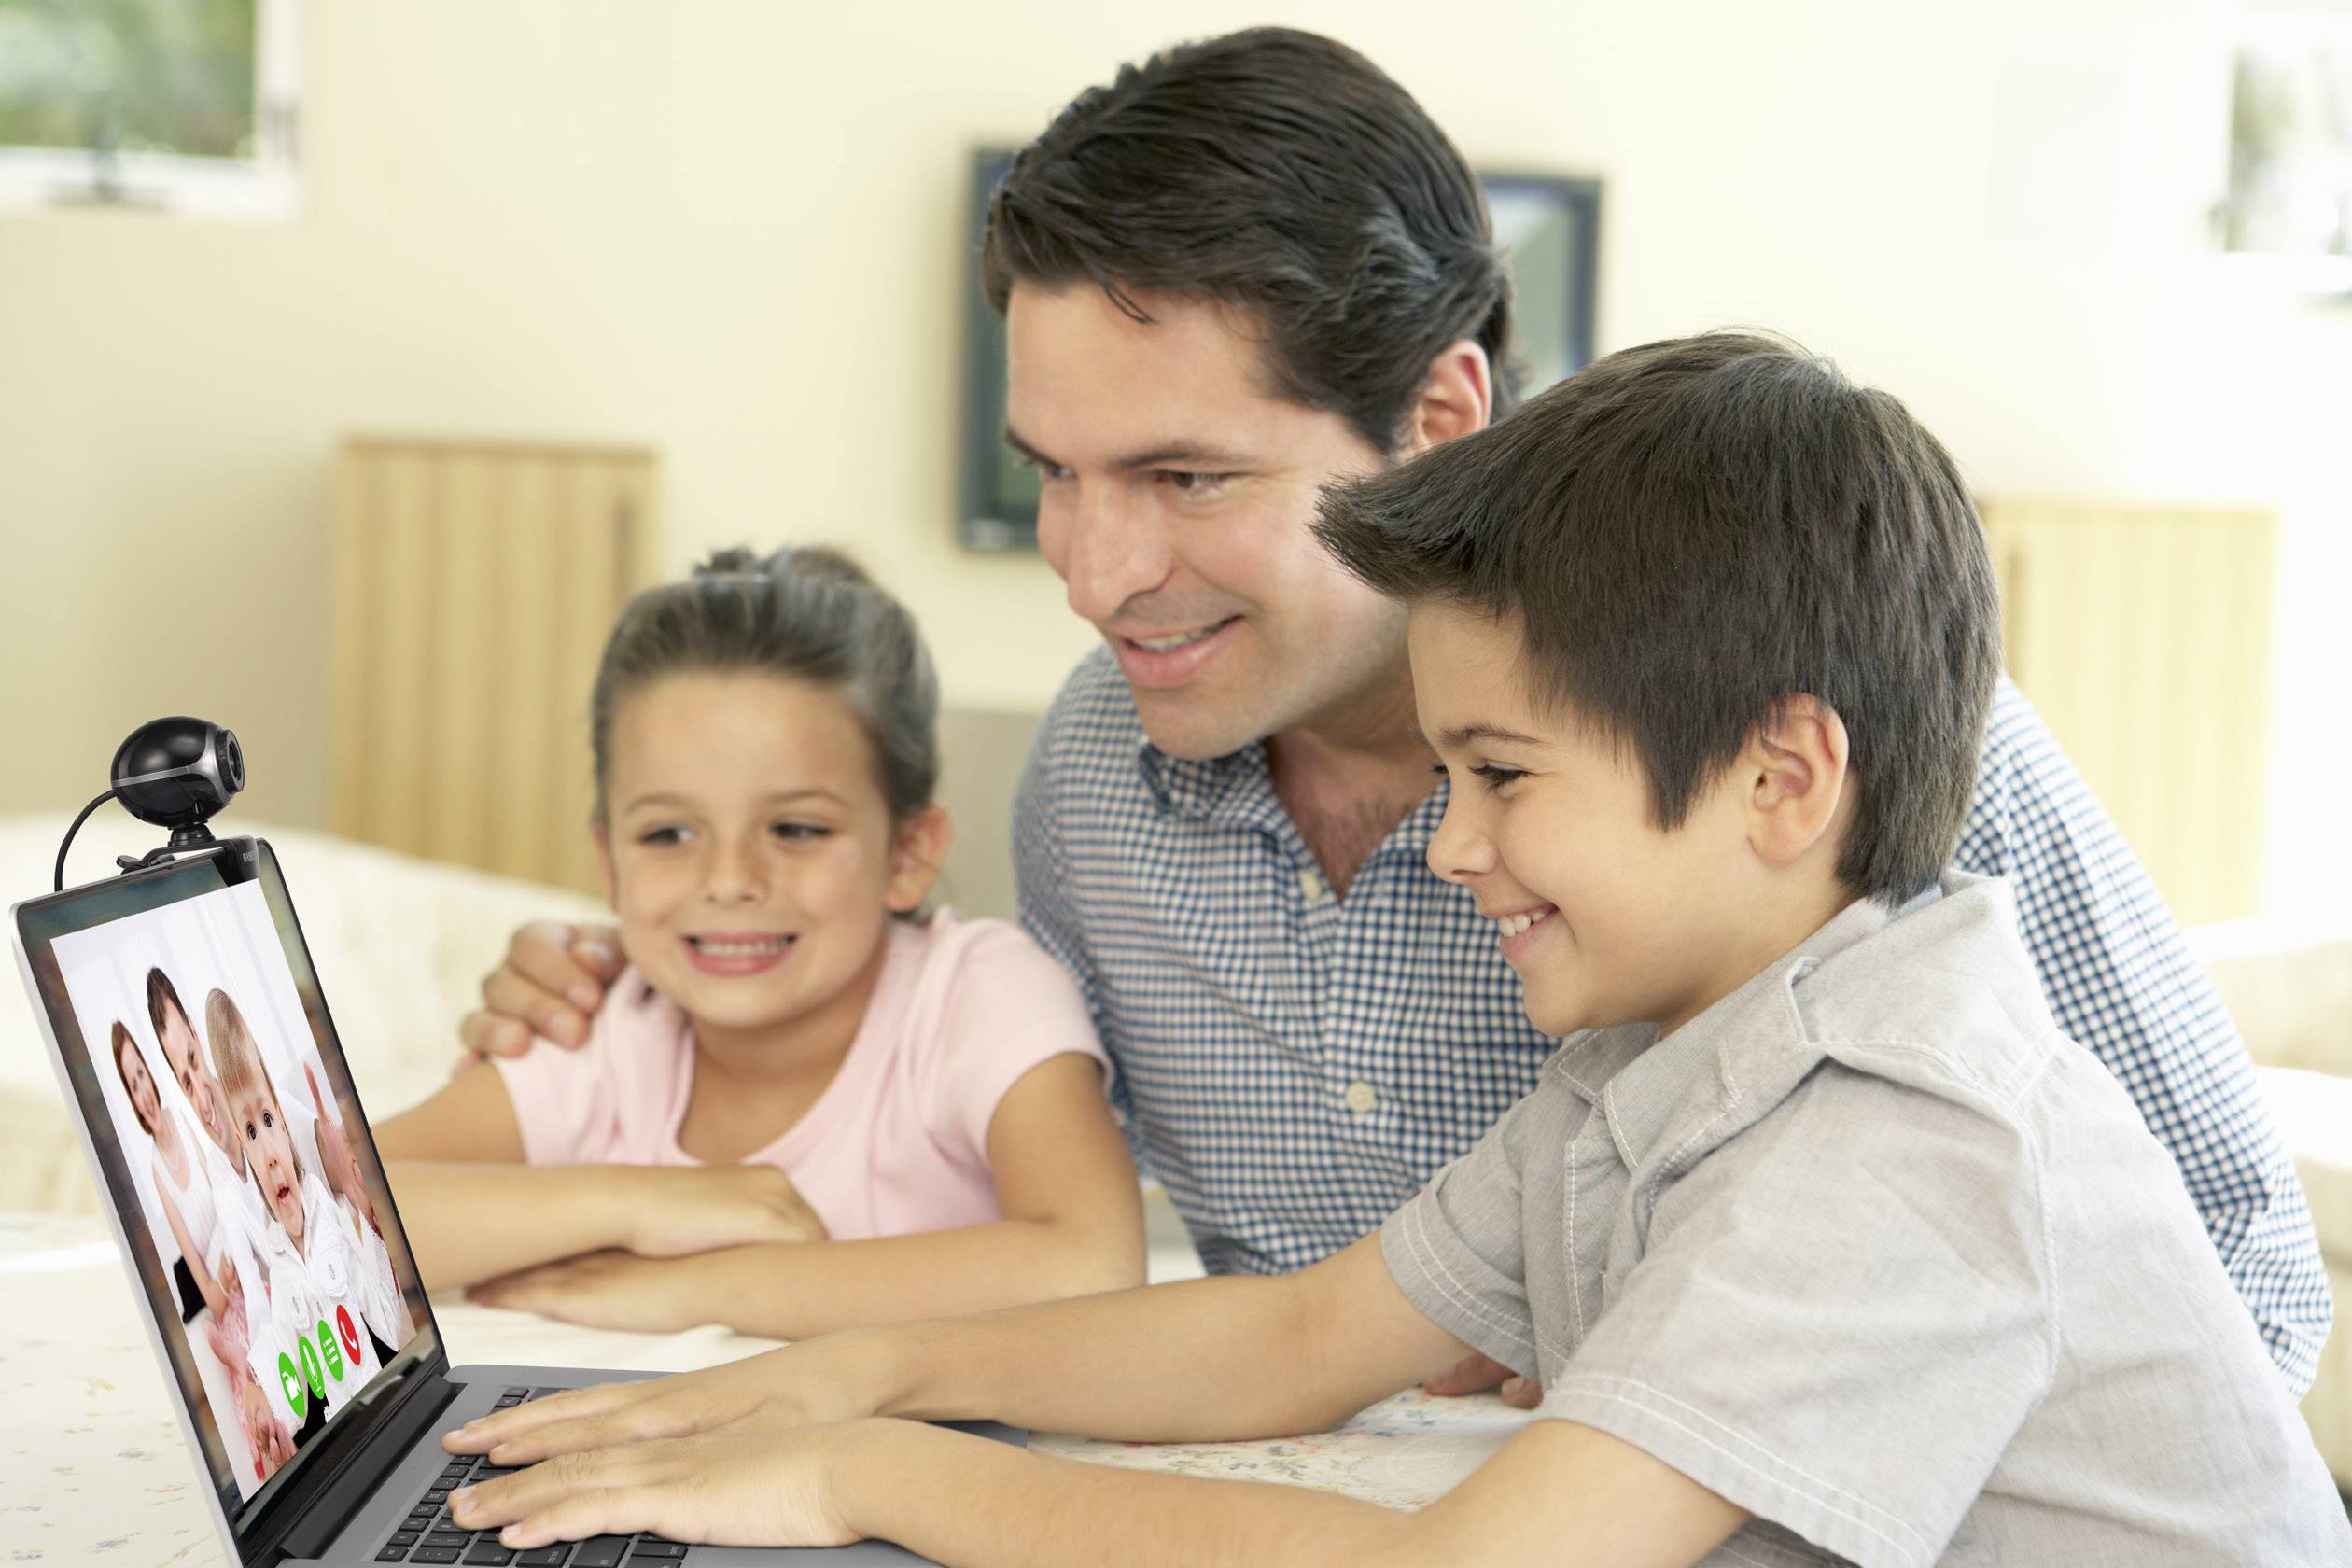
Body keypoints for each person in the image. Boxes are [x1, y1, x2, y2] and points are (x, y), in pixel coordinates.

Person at [453, 27, 2328, 1394]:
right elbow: (956, 1092)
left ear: (1441, 419)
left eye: (1187, 480)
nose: (1094, 574)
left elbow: (2243, 1277)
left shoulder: (1839, 743)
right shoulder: (1095, 793)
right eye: (1056, 472)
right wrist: (634, 980)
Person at [439, 335, 2351, 1564]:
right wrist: (861, 1376)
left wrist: (871, 1477)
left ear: (1785, 779)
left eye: (1503, 775)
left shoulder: (1912, 1142)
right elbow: (1298, 1333)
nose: (1453, 848)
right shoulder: (1662, 1061)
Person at [374, 547, 1142, 1337]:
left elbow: (1095, 1268)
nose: (730, 879)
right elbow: (328, 1207)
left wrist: (708, 1286)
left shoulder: (978, 997)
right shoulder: (608, 1027)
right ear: (610, 862)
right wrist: (646, 1203)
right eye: (668, 833)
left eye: (795, 828)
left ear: (909, 853)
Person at [210, 987, 402, 1476]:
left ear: (285, 1121)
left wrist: (368, 1216)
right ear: (246, 1154)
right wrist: (251, 1372)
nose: (269, 1149)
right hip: (340, 1452)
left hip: (387, 1415)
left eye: (269, 1119)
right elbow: (291, 1396)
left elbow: (384, 1315)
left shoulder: (331, 1216)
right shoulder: (276, 1262)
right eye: (250, 1132)